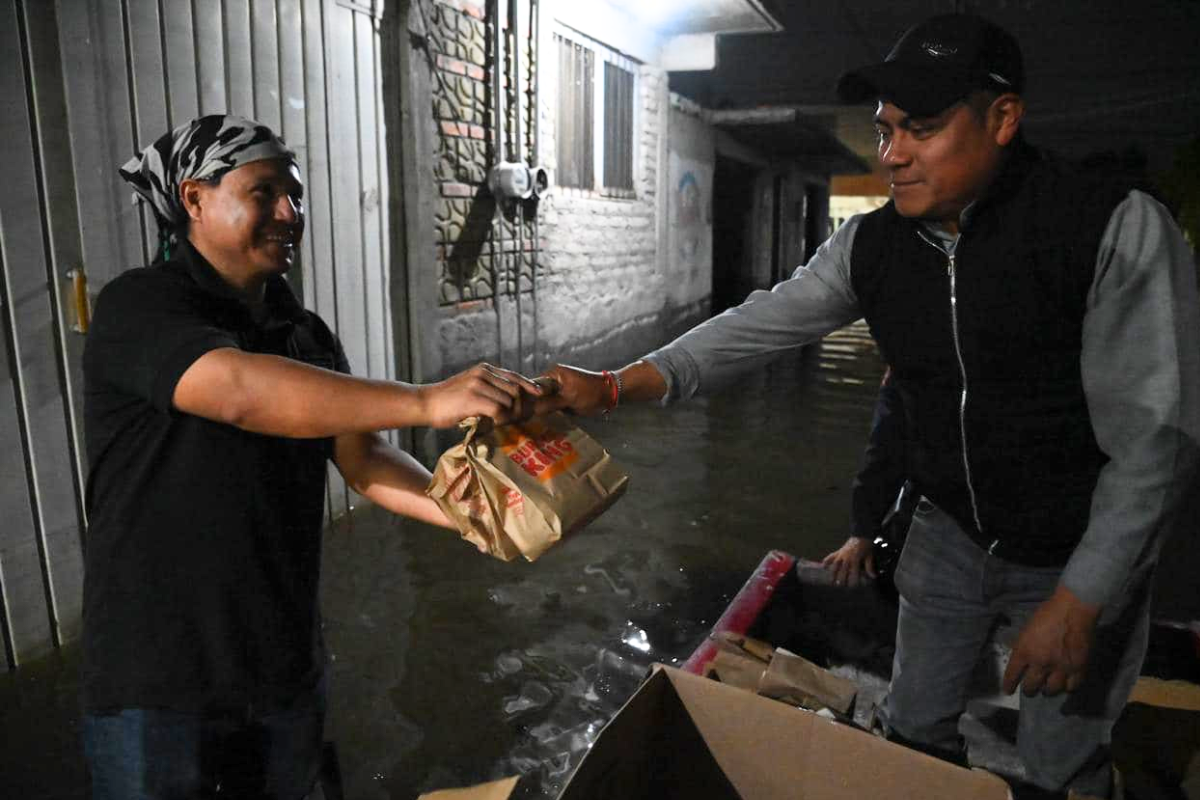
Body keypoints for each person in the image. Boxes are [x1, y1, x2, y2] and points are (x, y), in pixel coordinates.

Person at [534, 14, 1200, 798]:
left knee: (1061, 761)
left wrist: (1082, 597)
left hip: (1074, 546)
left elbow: (1155, 440)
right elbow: (756, 327)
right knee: (913, 734)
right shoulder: (872, 247)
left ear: (1004, 119)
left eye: (921, 129)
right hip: (947, 534)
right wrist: (615, 385)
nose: (892, 156)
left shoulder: (1107, 230)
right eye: (885, 131)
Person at [82, 115, 543, 799]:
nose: (290, 214)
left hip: (283, 673)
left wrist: (478, 514)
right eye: (264, 191)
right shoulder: (140, 307)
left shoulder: (304, 333)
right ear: (193, 199)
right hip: (158, 687)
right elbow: (236, 389)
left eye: (294, 195)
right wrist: (426, 401)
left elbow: (363, 462)